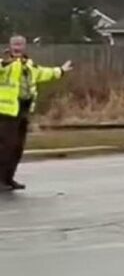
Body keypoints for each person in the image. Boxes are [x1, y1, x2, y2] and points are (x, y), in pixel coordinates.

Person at [0, 35, 71, 191]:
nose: (17, 47)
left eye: (20, 44)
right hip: (5, 112)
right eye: (14, 44)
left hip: (23, 110)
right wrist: (8, 62)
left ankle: (8, 178)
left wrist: (60, 70)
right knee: (6, 146)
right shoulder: (4, 63)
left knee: (17, 147)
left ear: (25, 46)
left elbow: (43, 73)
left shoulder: (29, 65)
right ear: (10, 46)